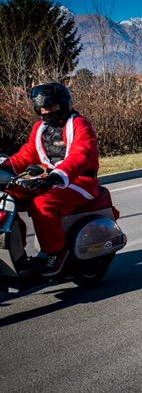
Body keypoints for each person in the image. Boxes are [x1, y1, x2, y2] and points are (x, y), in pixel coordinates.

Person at [2, 82, 100, 276]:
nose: (47, 112)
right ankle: (14, 252)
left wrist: (56, 176)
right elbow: (25, 155)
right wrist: (4, 169)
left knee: (42, 204)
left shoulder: (79, 124)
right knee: (6, 197)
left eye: (52, 107)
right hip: (51, 180)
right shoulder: (40, 128)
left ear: (63, 104)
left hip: (80, 182)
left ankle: (55, 252)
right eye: (43, 108)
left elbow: (80, 155)